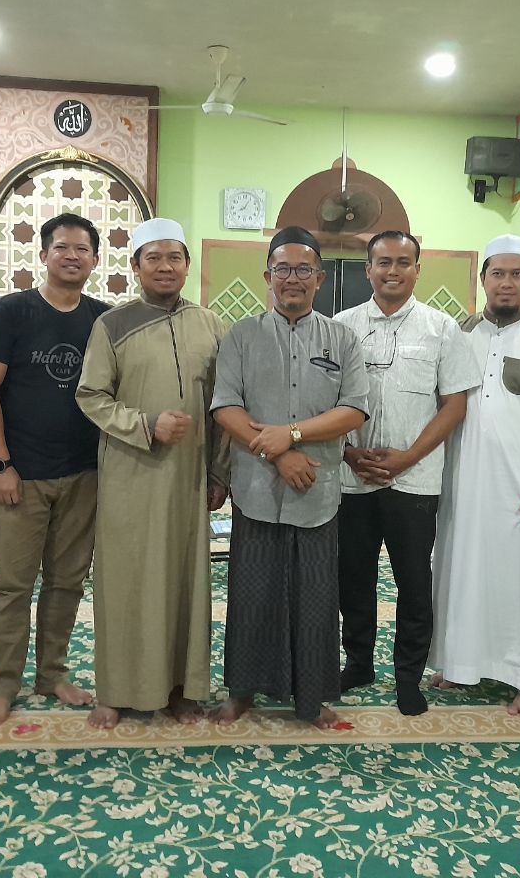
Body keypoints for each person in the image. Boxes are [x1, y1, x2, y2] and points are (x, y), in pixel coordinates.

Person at [210, 226, 368, 728]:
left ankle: (310, 699)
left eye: (303, 269)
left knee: (316, 600)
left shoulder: (342, 339)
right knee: (252, 596)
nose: (292, 279)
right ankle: (242, 691)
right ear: (268, 276)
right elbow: (225, 407)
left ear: (319, 278)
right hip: (257, 488)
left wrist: (292, 436)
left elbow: (353, 410)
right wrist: (278, 455)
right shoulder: (241, 336)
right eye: (283, 269)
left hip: (316, 493)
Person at [76, 218, 229, 729]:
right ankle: (115, 691)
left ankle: (183, 689)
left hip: (189, 478)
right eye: (154, 258)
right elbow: (91, 396)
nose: (165, 267)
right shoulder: (112, 325)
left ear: (187, 265)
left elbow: (225, 406)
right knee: (126, 581)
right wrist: (145, 424)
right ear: (136, 266)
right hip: (132, 474)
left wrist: (219, 473)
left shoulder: (211, 325)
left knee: (186, 582)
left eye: (175, 258)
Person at [428, 234, 520, 716]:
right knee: (458, 573)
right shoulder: (456, 333)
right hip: (462, 482)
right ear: (483, 279)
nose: (507, 282)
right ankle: (458, 664)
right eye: (498, 273)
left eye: (517, 274)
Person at [332, 230, 478, 716]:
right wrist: (348, 454)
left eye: (402, 262)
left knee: (414, 582)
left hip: (414, 482)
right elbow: (324, 402)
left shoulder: (442, 329)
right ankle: (358, 663)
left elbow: (454, 405)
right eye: (383, 262)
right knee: (353, 579)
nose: (392, 271)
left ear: (418, 269)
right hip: (352, 479)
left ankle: (408, 677)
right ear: (368, 270)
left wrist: (407, 457)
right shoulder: (341, 327)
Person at [0, 213, 109, 728]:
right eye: (62, 247)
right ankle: (3, 684)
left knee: (67, 583)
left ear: (95, 260)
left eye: (82, 249)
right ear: (44, 254)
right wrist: (0, 464)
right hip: (21, 475)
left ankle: (52, 673)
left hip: (84, 475)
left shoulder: (103, 320)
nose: (72, 256)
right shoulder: (13, 311)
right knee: (13, 586)